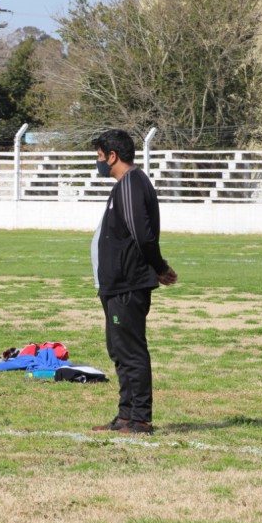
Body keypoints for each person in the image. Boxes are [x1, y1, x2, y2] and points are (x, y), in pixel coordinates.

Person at [90, 129, 178, 436]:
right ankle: (125, 416)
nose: (98, 162)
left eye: (99, 157)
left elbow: (143, 235)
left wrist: (159, 267)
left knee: (131, 351)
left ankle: (140, 419)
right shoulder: (125, 186)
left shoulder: (130, 184)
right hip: (116, 285)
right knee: (119, 349)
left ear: (112, 156)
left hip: (128, 284)